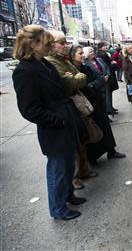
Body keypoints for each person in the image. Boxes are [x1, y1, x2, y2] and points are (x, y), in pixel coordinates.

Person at [12, 25, 86, 220]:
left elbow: (60, 86)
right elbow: (29, 110)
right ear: (34, 44)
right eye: (47, 43)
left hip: (64, 121)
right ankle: (58, 208)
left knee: (68, 164)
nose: (50, 46)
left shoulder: (45, 63)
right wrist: (57, 120)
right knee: (58, 169)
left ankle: (68, 195)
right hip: (54, 128)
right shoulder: (24, 71)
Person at [45, 31, 97, 190]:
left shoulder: (62, 60)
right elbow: (71, 83)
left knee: (81, 140)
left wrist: (76, 76)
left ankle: (83, 170)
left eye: (65, 42)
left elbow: (78, 77)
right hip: (68, 105)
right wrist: (77, 77)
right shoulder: (52, 62)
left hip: (74, 104)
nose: (65, 45)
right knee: (73, 143)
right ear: (52, 45)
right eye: (62, 43)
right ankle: (75, 177)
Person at [82, 46, 126, 162]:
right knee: (96, 128)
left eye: (92, 50)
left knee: (106, 127)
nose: (92, 52)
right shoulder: (85, 65)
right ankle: (93, 156)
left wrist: (106, 77)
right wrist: (102, 79)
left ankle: (111, 151)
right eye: (89, 51)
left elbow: (106, 68)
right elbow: (89, 82)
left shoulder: (99, 60)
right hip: (93, 98)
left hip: (101, 94)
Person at [96, 42, 119, 116]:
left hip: (109, 76)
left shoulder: (104, 54)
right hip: (107, 77)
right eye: (104, 46)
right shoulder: (101, 55)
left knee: (109, 93)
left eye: (106, 46)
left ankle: (110, 107)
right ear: (100, 47)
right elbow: (106, 66)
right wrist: (114, 64)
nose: (106, 47)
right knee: (108, 94)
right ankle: (109, 109)